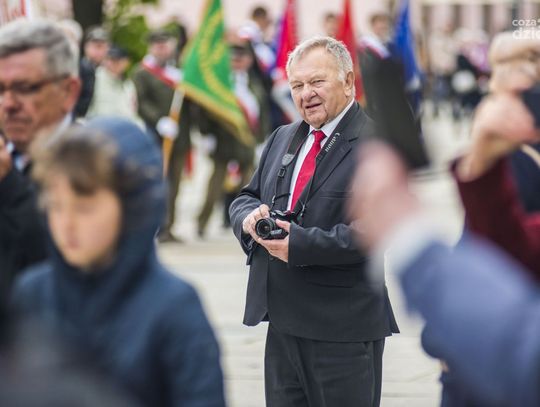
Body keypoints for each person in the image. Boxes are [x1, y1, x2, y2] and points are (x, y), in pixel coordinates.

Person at [349, 31, 540, 407]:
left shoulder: (521, 160)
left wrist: (408, 237)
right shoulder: (506, 153)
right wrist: (482, 170)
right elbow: (509, 246)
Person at [229, 36, 398, 407]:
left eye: (317, 82)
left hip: (341, 327)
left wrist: (299, 244)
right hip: (282, 322)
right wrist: (248, 218)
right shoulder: (283, 137)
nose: (306, 94)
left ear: (348, 81)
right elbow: (245, 197)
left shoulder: (377, 142)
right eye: (297, 86)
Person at [12, 117, 226, 407]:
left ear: (133, 207)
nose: (66, 224)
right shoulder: (32, 293)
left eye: (84, 208)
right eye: (55, 206)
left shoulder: (173, 308)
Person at [0, 19, 81, 296]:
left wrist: (9, 185)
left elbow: (64, 259)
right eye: (0, 90)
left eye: (25, 88)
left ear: (68, 92)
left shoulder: (99, 161)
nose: (8, 104)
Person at [86, 45, 141, 125]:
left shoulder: (128, 85)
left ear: (126, 62)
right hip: (98, 127)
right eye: (110, 59)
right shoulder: (94, 78)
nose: (112, 63)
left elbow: (132, 113)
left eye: (117, 60)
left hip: (124, 127)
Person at [74, 26, 109, 119]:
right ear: (86, 47)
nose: (99, 51)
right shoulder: (79, 68)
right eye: (96, 46)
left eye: (103, 47)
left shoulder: (110, 72)